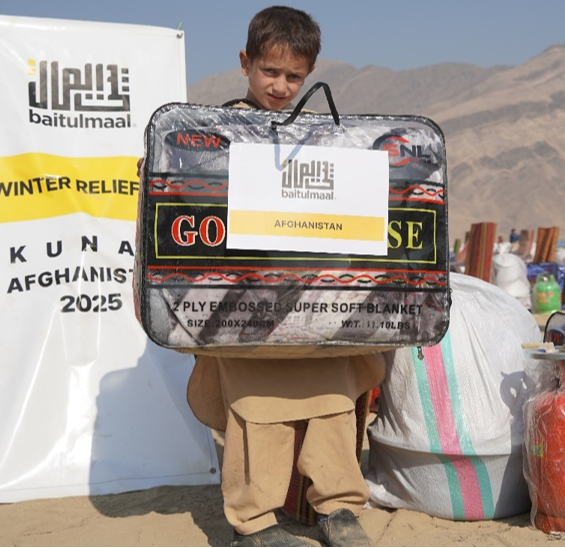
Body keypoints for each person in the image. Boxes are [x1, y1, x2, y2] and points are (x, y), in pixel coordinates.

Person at [184, 7, 382, 547]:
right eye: (270, 72)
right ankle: (254, 522)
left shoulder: (326, 137)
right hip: (248, 302)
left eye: (294, 77)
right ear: (246, 63)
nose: (281, 86)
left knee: (336, 395)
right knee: (256, 406)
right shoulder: (215, 132)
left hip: (316, 299)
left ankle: (339, 509)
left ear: (310, 74)